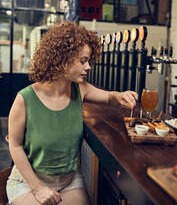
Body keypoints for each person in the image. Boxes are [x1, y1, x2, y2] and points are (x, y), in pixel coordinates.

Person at [6, 21, 138, 205]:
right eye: (83, 61)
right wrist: (37, 188)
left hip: (68, 181)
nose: (89, 67)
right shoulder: (25, 99)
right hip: (29, 181)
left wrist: (121, 95)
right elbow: (15, 146)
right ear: (62, 59)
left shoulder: (81, 90)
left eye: (89, 61)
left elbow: (110, 97)